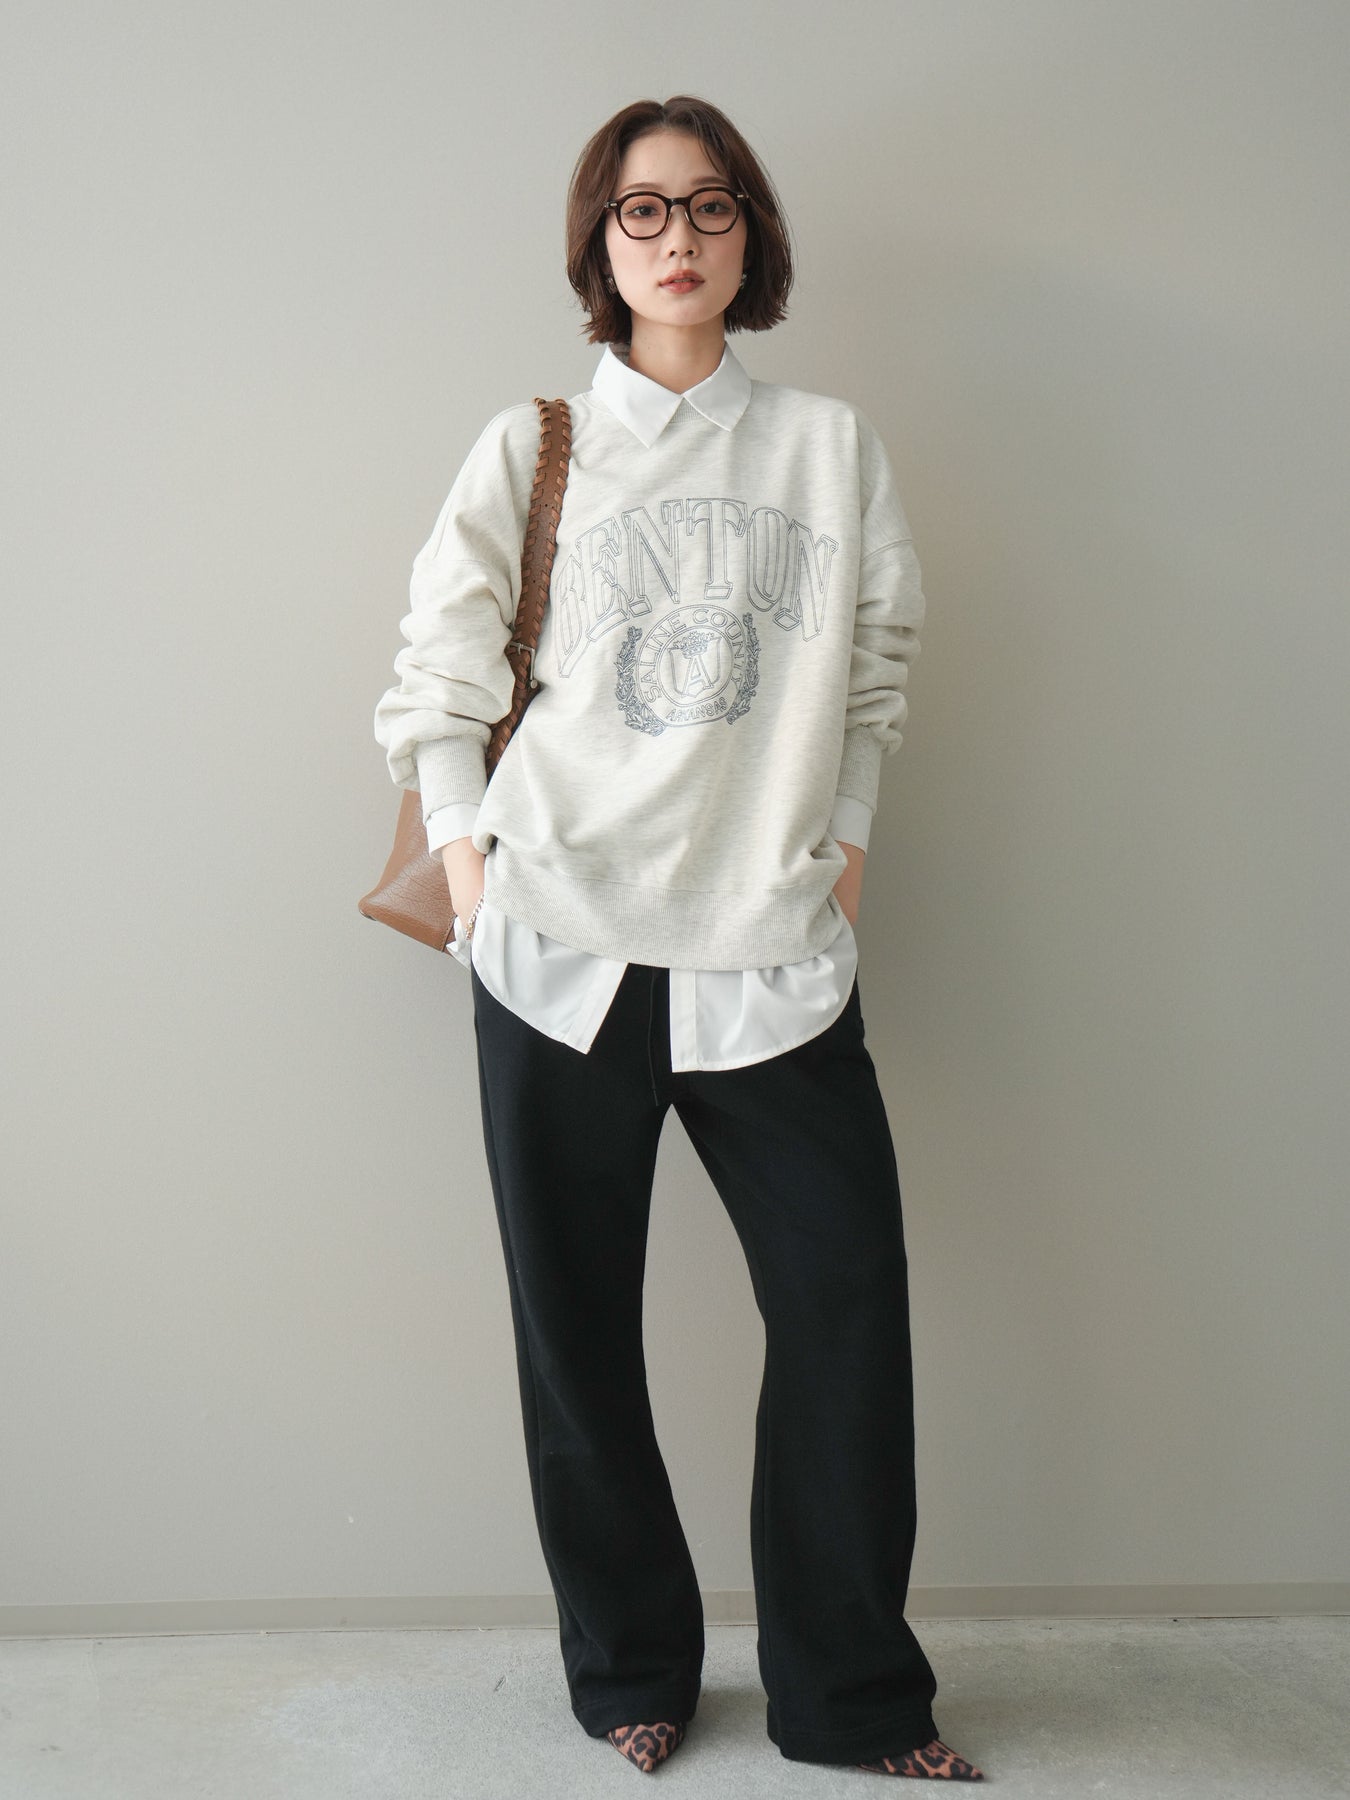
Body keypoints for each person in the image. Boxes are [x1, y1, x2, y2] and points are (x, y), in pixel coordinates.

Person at [373, 94, 984, 1783]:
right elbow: (437, 673)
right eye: (641, 210)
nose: (678, 237)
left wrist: (841, 851)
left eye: (710, 206)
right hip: (555, 949)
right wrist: (469, 877)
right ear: (599, 241)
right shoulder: (535, 446)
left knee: (845, 1313)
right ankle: (630, 1667)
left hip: (767, 952)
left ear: (750, 235)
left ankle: (851, 1700)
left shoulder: (828, 448)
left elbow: (873, 671)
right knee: (575, 1337)